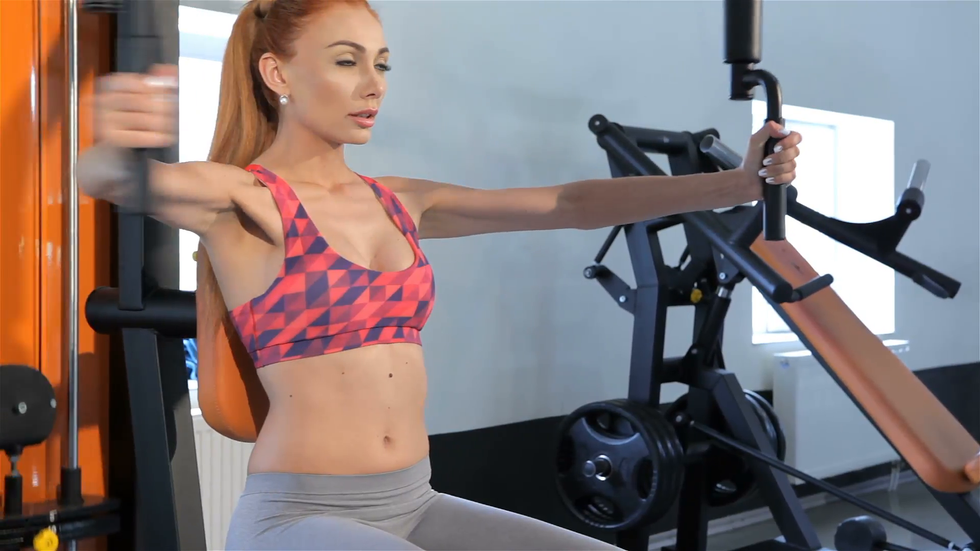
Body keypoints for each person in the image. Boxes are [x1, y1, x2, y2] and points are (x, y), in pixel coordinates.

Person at [77, 0, 804, 548]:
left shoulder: (400, 200)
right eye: (346, 60)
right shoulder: (248, 201)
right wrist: (112, 143)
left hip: (415, 499)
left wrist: (732, 185)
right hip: (302, 514)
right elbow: (117, 180)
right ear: (277, 74)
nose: (373, 83)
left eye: (382, 62)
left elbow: (569, 202)